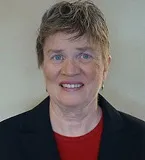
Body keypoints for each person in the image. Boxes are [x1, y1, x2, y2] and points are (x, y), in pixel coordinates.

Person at [0, 1, 145, 160]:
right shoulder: (4, 140)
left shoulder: (140, 139)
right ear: (42, 64)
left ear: (105, 66)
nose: (70, 70)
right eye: (57, 57)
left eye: (84, 56)